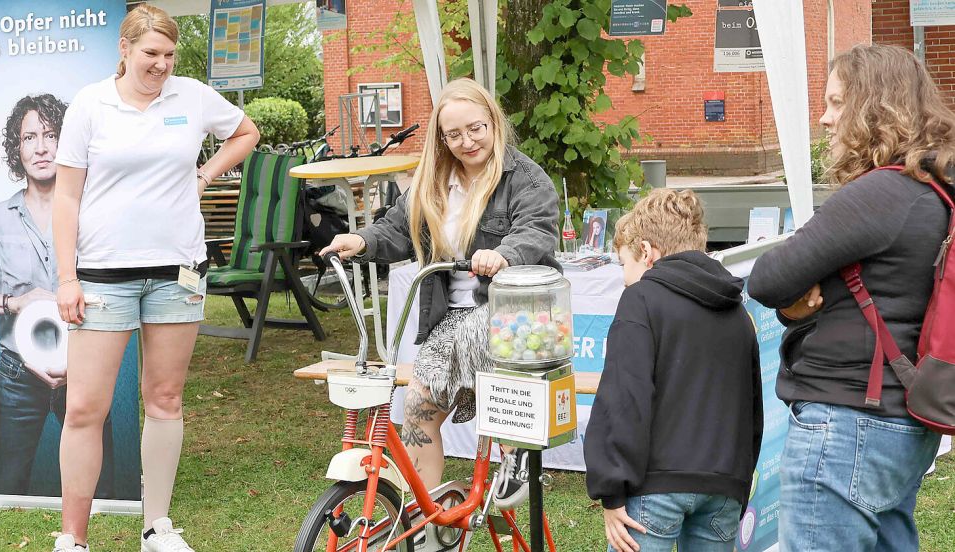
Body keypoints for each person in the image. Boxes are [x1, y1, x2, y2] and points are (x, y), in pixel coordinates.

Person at [51, 5, 259, 552]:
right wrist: (67, 278)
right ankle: (72, 537)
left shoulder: (190, 95)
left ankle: (156, 528)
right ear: (124, 49)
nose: (161, 65)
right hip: (101, 277)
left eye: (169, 55)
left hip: (178, 273)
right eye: (150, 54)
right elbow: (66, 196)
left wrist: (207, 174)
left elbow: (245, 131)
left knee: (165, 399)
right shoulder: (89, 104)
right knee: (83, 408)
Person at [747, 44, 954, 552]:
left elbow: (767, 277)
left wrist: (793, 296)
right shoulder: (932, 188)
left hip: (847, 425)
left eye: (837, 103)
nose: (824, 118)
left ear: (874, 107)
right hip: (895, 415)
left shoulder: (882, 194)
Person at [320, 77, 560, 511]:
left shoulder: (526, 178)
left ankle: (515, 452)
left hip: (513, 314)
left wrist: (503, 254)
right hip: (450, 318)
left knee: (473, 334)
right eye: (454, 134)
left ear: (494, 123)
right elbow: (395, 228)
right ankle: (422, 514)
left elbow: (537, 230)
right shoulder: (435, 181)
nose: (467, 141)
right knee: (416, 410)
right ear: (442, 138)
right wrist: (360, 242)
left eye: (476, 129)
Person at [585, 188, 763, 552]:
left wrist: (611, 490)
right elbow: (752, 408)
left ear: (647, 253)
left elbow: (624, 398)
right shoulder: (738, 313)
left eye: (624, 264)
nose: (623, 277)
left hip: (655, 488)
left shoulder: (640, 300)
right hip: (725, 486)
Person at [0, 95, 115, 497]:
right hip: (18, 375)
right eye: (29, 137)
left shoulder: (93, 212)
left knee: (103, 486)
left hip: (86, 366)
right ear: (16, 150)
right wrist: (9, 302)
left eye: (51, 135)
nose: (41, 147)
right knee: (9, 486)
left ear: (66, 141)